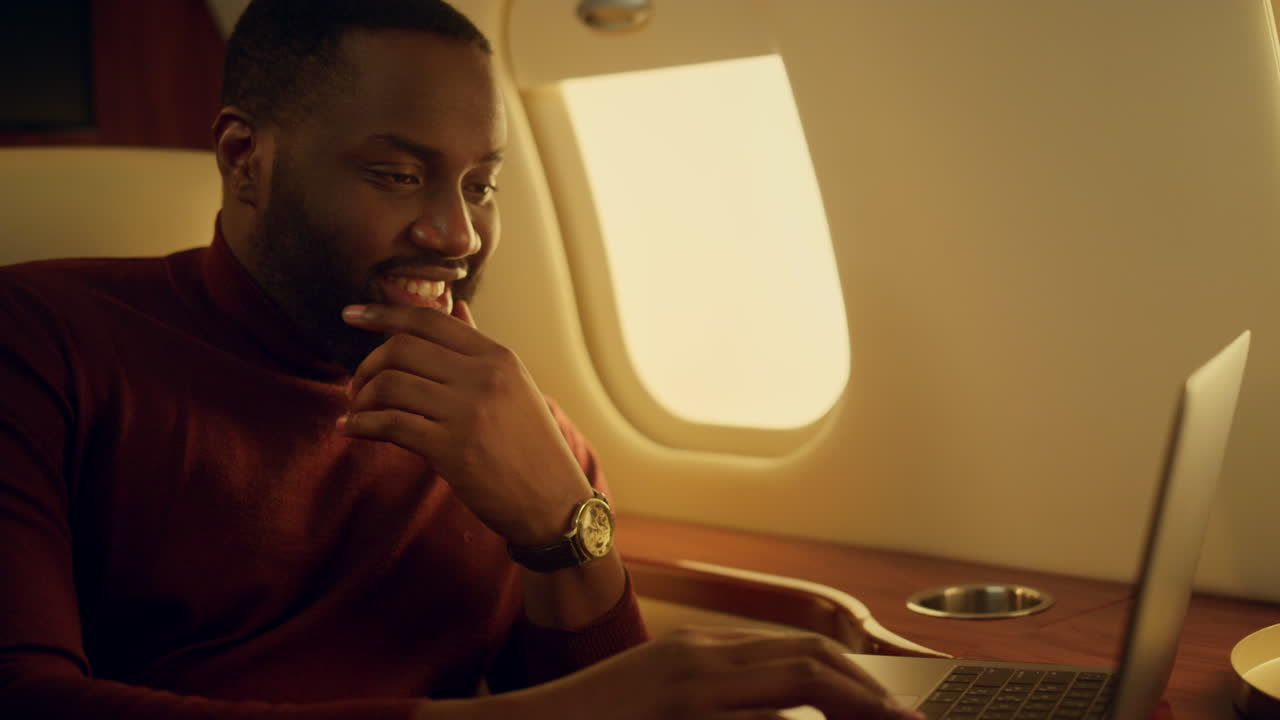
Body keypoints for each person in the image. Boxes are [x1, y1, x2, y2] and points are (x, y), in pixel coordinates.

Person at [0, 1, 922, 718]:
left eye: (482, 184)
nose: (457, 231)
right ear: (246, 159)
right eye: (398, 175)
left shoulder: (518, 432)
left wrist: (564, 523)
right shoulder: (42, 344)